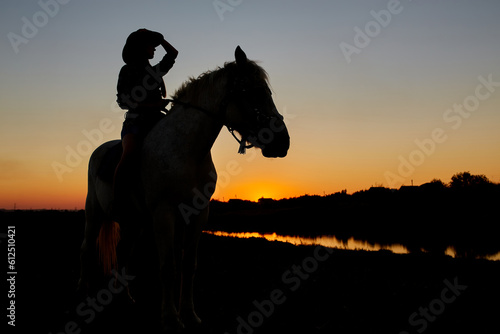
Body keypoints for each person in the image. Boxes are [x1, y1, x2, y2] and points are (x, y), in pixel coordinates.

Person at [113, 29, 178, 213]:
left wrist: (161, 39)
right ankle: (118, 201)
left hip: (158, 121)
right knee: (130, 154)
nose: (155, 49)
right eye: (151, 45)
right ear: (141, 48)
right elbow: (123, 101)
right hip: (135, 124)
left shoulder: (155, 71)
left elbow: (173, 54)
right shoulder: (127, 71)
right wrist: (153, 104)